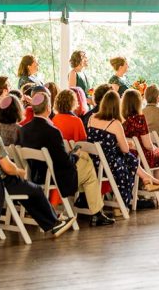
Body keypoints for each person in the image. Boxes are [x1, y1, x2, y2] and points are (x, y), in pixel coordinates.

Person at [0, 93, 70, 238]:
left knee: (28, 191)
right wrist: (19, 171)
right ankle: (53, 224)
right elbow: (7, 167)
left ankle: (52, 222)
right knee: (35, 189)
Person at [20, 90, 115, 227]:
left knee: (84, 161)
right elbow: (64, 163)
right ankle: (95, 213)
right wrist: (74, 156)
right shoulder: (52, 131)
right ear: (48, 108)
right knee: (88, 167)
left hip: (34, 177)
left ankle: (88, 204)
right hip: (56, 177)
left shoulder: (23, 130)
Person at [87, 90, 159, 208]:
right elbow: (125, 149)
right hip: (106, 163)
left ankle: (147, 179)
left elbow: (101, 141)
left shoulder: (92, 118)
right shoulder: (115, 124)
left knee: (128, 158)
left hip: (93, 159)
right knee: (128, 158)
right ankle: (123, 203)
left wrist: (118, 144)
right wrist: (128, 144)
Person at [122, 88, 159, 206]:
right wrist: (155, 148)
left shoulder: (122, 120)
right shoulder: (139, 119)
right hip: (143, 158)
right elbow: (148, 145)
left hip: (131, 158)